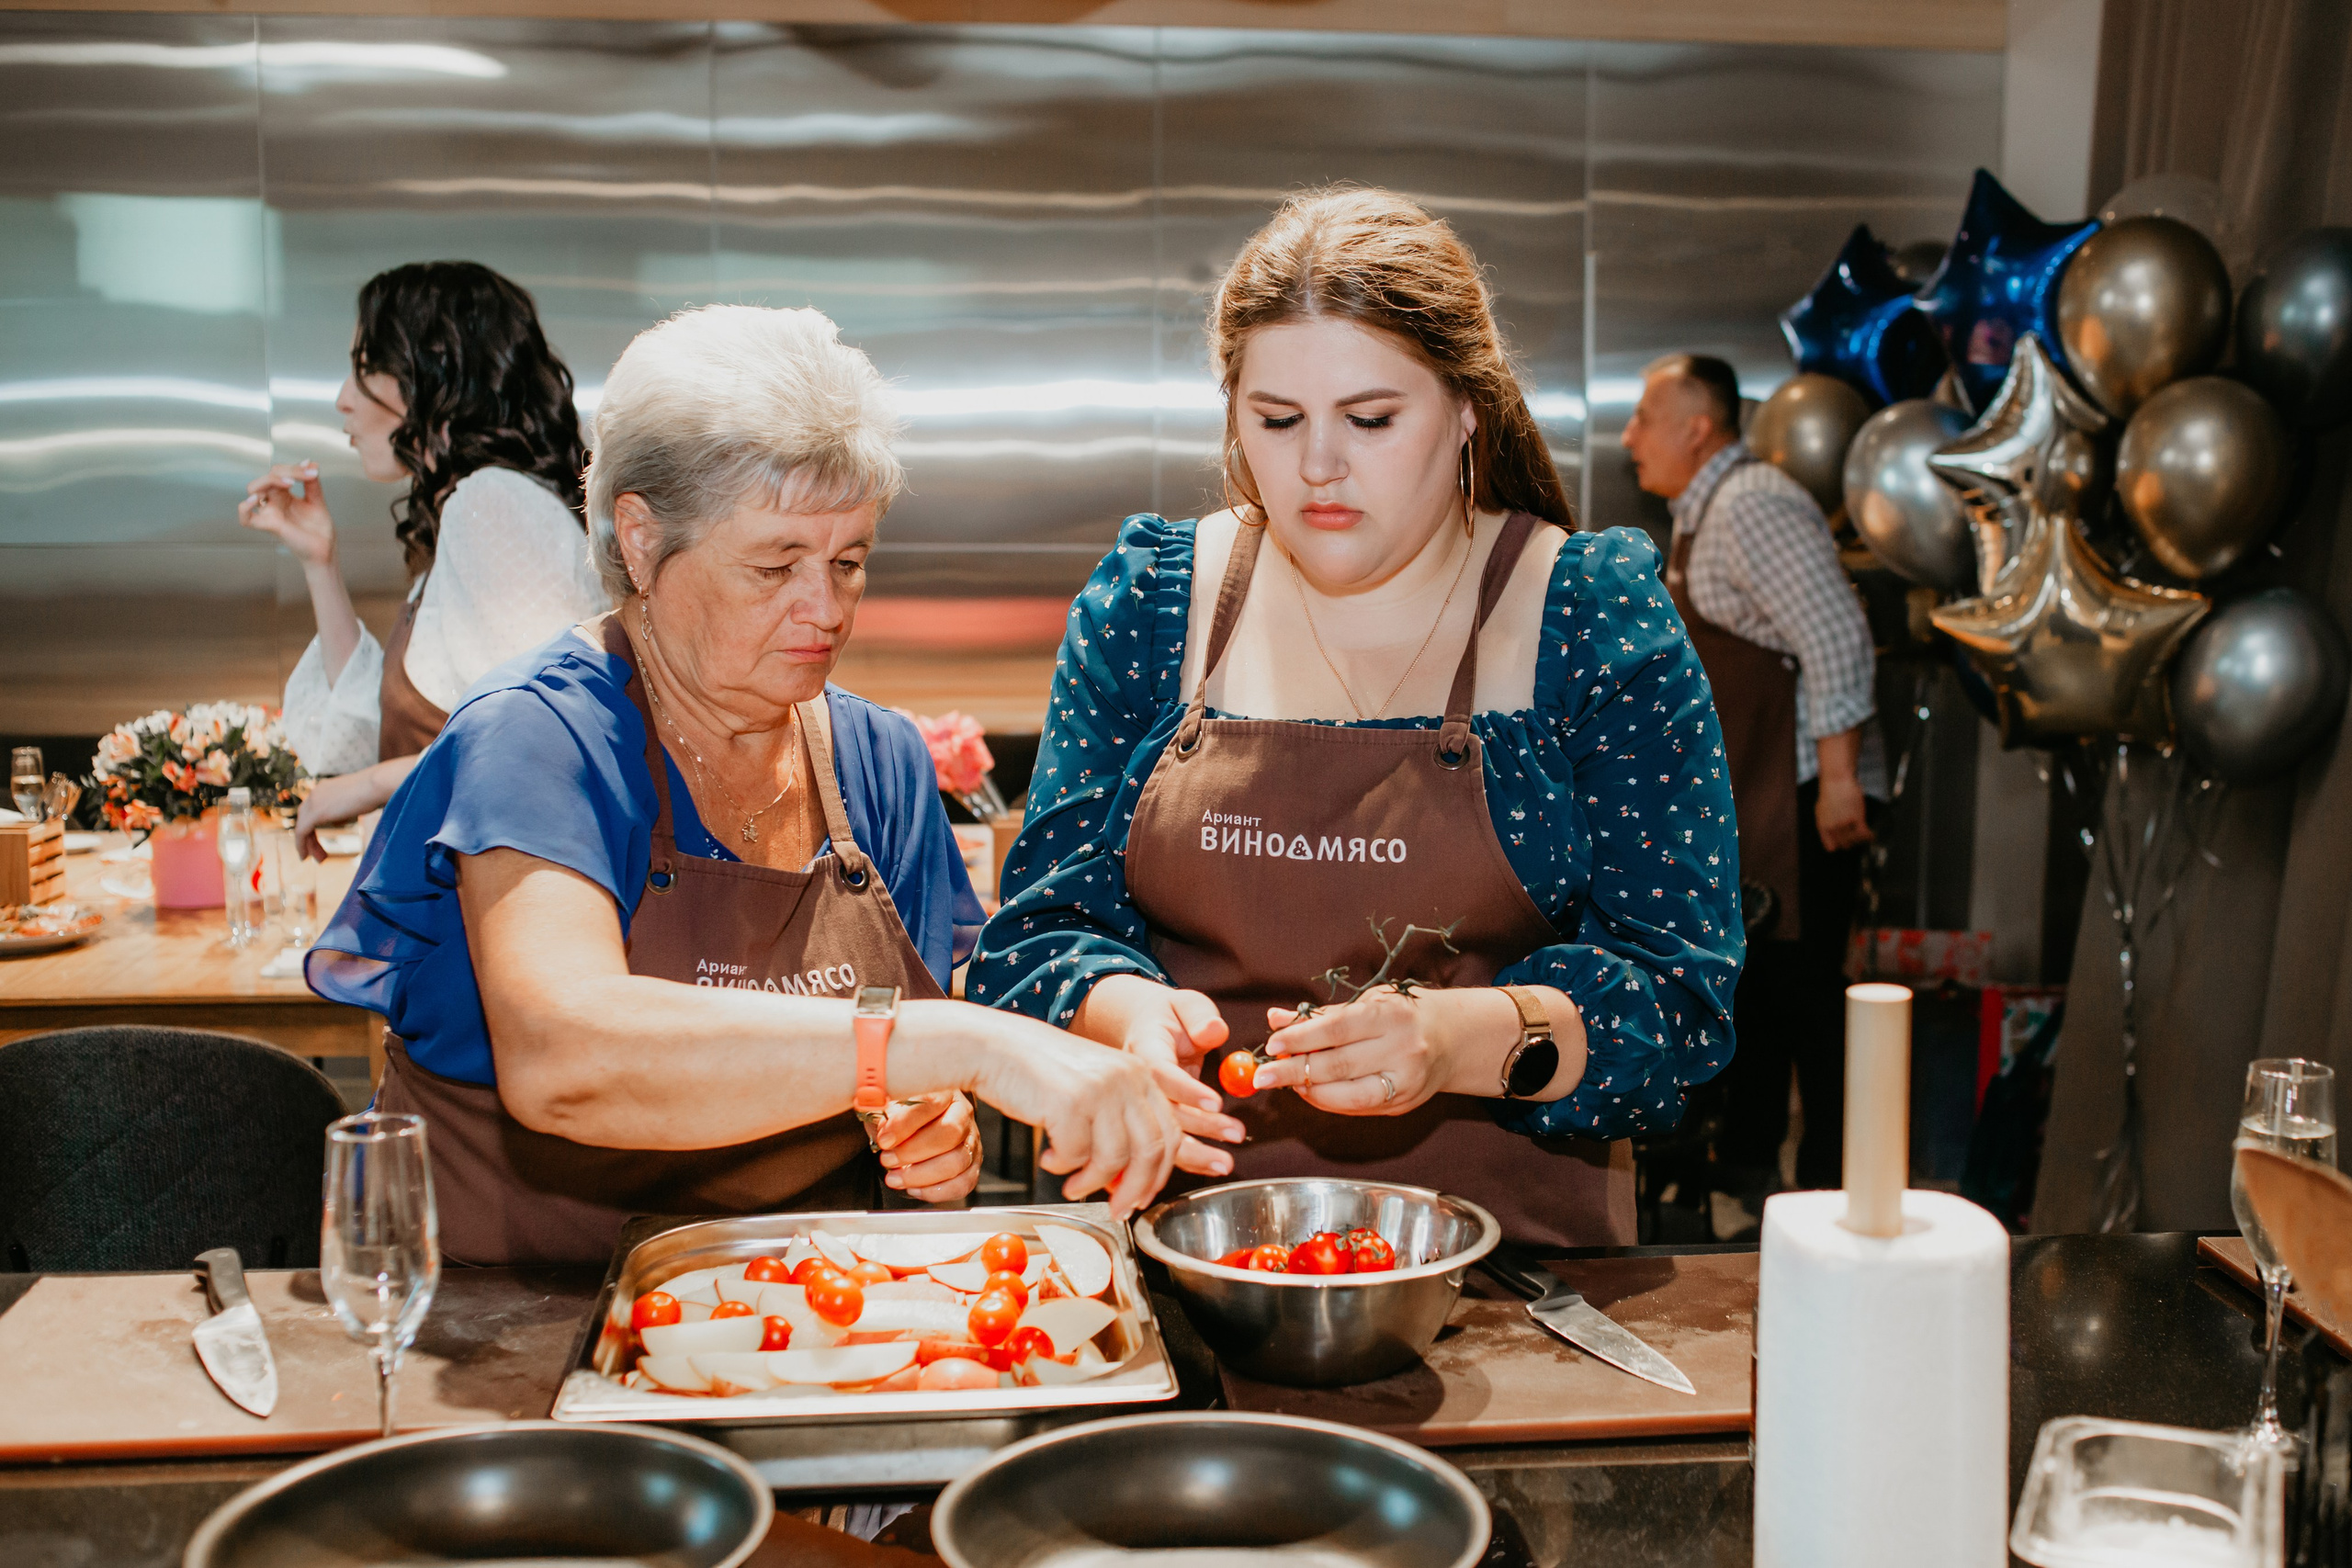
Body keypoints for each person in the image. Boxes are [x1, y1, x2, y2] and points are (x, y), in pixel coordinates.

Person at [306, 305, 1180, 1265]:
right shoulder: (540, 737)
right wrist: (950, 1046)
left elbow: (910, 1057)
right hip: (519, 1323)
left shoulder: (878, 760)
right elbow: (567, 1055)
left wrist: (927, 1119)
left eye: (849, 562)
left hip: (801, 1311)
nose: (825, 609)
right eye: (774, 565)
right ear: (639, 540)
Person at [967, 188, 1743, 1247]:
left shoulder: (1584, 616)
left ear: (1468, 407)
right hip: (1179, 1257)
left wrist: (1452, 1040)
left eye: (1371, 421)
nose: (1317, 467)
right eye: (1275, 421)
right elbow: (1038, 934)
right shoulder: (1153, 605)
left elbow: (1680, 1002)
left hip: (1516, 1283)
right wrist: (1121, 1012)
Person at [1620, 353, 1885, 1207]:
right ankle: (1754, 1174)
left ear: (1698, 427)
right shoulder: (1705, 515)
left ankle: (1841, 1197)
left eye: (1645, 417)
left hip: (1811, 791)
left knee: (1809, 994)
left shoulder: (1751, 504)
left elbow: (1837, 636)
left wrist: (1841, 779)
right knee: (1764, 984)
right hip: (1768, 793)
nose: (1630, 438)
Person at [240, 261, 610, 857]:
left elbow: (540, 745)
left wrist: (367, 786)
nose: (342, 400)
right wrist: (319, 560)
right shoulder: (474, 508)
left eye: (365, 369)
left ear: (434, 373)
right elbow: (374, 732)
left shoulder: (492, 504)